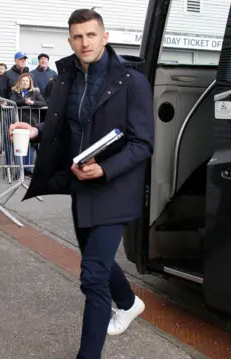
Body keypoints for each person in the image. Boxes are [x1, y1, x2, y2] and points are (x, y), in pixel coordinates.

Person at [9, 8, 153, 359]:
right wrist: (37, 132)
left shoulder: (132, 81)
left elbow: (143, 143)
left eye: (91, 35)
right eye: (77, 36)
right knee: (96, 259)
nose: (84, 42)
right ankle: (129, 302)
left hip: (114, 188)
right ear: (69, 40)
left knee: (92, 277)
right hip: (81, 187)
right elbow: (67, 130)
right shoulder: (66, 78)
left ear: (105, 37)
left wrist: (105, 170)